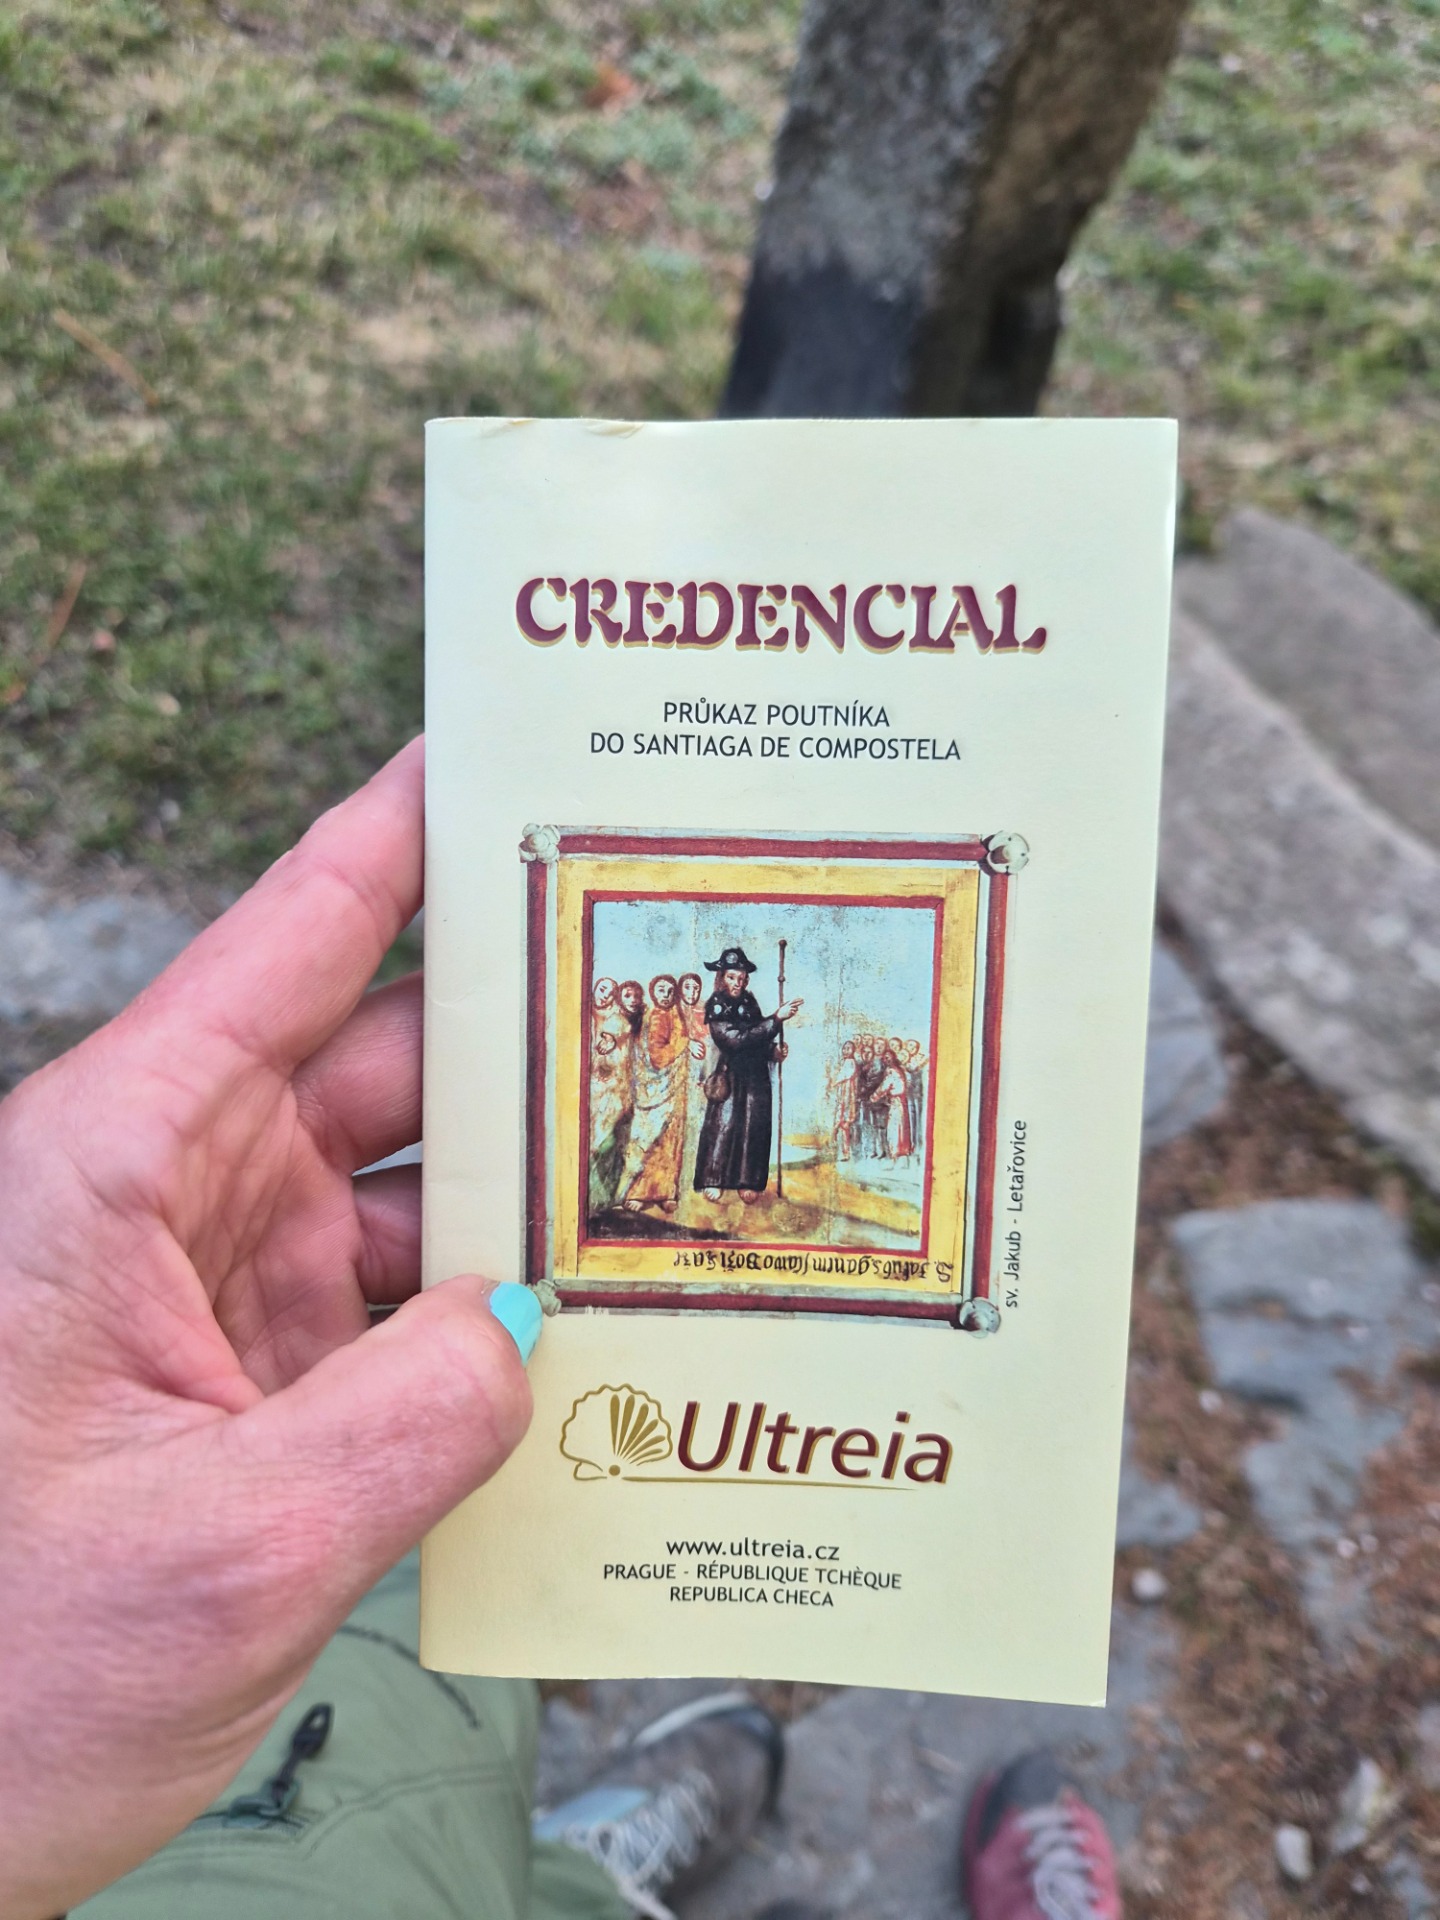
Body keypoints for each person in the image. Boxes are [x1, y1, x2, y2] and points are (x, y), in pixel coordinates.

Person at [0, 739, 1125, 1920]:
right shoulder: (718, 1012)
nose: (727, 982)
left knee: (417, 1722)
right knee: (422, 1697)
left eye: (734, 975)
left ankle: (578, 1873)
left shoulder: (738, 1010)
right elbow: (720, 1044)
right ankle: (589, 1883)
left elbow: (749, 1046)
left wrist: (771, 1039)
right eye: (723, 973)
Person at [693, 947, 802, 1205]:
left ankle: (748, 1180)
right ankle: (715, 1179)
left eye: (741, 978)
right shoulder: (716, 1006)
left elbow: (757, 1037)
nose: (737, 983)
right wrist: (776, 1019)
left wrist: (773, 1051)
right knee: (724, 1126)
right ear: (722, 977)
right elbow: (735, 1041)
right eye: (732, 977)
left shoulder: (749, 1002)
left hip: (756, 1077)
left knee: (754, 1127)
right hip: (730, 1075)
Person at [619, 974, 691, 1215]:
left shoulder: (678, 1015)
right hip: (651, 1090)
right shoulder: (650, 1016)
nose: (666, 995)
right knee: (647, 1138)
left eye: (671, 991)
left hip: (675, 1089)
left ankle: (667, 1192)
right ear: (652, 992)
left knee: (671, 1141)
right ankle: (638, 1192)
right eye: (661, 990)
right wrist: (684, 1043)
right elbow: (657, 1057)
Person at [588, 975, 636, 1214]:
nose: (605, 994)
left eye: (610, 991)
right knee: (595, 1142)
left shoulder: (617, 1019)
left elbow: (615, 1036)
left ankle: (604, 1198)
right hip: (595, 1090)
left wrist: (610, 1041)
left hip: (615, 1091)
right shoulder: (585, 1015)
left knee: (609, 1142)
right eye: (602, 989)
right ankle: (593, 1198)